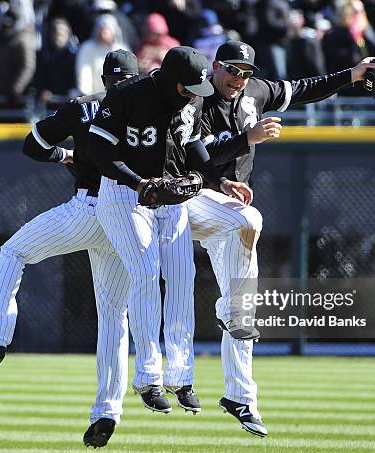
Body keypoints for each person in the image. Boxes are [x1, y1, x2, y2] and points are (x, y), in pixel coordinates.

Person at [191, 39, 375, 436]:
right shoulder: (200, 97)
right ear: (215, 66)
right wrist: (247, 141)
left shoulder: (255, 92)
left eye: (244, 73)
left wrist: (352, 74)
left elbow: (305, 87)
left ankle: (241, 399)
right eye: (230, 69)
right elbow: (196, 158)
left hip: (226, 207)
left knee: (243, 305)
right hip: (191, 199)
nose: (237, 79)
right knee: (250, 222)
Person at [0, 50, 140, 449]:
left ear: (104, 78)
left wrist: (66, 154)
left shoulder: (85, 106)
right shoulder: (153, 111)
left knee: (13, 252)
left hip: (90, 209)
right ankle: (107, 411)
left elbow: (33, 146)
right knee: (115, 316)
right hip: (130, 219)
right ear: (137, 77)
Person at [89, 46, 253, 415]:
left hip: (169, 192)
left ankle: (181, 375)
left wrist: (221, 181)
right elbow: (98, 149)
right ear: (173, 81)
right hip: (122, 195)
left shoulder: (189, 103)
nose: (198, 93)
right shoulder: (126, 95)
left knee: (182, 276)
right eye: (191, 87)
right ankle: (148, 377)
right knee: (146, 272)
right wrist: (136, 183)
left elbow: (194, 147)